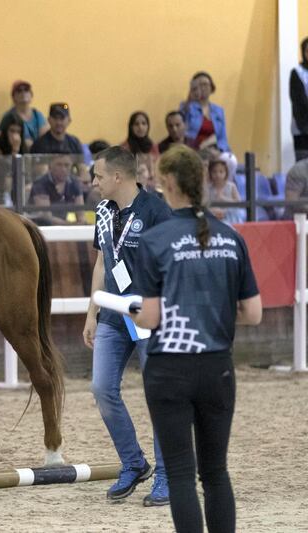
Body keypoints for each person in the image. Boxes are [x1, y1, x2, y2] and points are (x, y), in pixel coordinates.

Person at [132, 144, 262, 532]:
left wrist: (133, 309)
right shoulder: (230, 237)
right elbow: (253, 314)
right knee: (216, 473)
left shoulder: (156, 241)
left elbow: (150, 319)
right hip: (218, 367)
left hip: (169, 369)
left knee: (182, 474)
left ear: (168, 183)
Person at [83, 146, 171, 506]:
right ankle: (134, 463)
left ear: (117, 177)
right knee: (102, 388)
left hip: (150, 317)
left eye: (98, 176)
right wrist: (92, 311)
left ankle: (167, 474)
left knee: (159, 397)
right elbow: (103, 264)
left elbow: (170, 264)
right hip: (114, 316)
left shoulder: (156, 211)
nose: (94, 182)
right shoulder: (103, 211)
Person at [28, 153, 85, 225]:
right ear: (50, 166)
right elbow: (46, 217)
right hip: (39, 227)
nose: (63, 169)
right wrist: (71, 225)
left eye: (67, 165)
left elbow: (81, 215)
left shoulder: (74, 183)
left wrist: (80, 224)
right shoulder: (40, 183)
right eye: (59, 165)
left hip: (63, 227)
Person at [182, 72, 230, 153]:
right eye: (199, 85)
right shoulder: (187, 106)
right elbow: (182, 130)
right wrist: (190, 97)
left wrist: (220, 150)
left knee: (231, 161)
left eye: (205, 84)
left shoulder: (219, 110)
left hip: (214, 149)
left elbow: (222, 137)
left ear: (211, 87)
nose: (203, 88)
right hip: (194, 149)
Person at [0, 80, 49, 149]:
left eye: (26, 90)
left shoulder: (38, 115)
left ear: (31, 95)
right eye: (19, 91)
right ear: (13, 97)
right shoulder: (8, 117)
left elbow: (45, 139)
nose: (23, 93)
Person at [0, 113, 27, 207]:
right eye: (12, 131)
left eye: (18, 132)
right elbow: (0, 173)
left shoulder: (24, 149)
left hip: (18, 196)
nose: (15, 135)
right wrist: (14, 150)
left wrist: (17, 150)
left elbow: (24, 175)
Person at [121, 111, 159, 177]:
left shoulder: (152, 146)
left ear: (148, 126)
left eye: (144, 123)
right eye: (136, 124)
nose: (140, 127)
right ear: (131, 127)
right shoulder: (124, 148)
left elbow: (157, 170)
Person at [206, 159, 243, 225]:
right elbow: (205, 203)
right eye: (214, 172)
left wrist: (224, 198)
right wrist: (213, 210)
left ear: (226, 173)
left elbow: (238, 203)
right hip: (214, 215)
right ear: (210, 173)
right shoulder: (208, 188)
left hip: (230, 215)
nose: (217, 175)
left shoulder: (231, 186)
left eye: (221, 172)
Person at [289, 37, 308, 161]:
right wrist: (304, 128)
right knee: (303, 170)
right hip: (303, 128)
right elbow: (298, 101)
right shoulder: (297, 72)